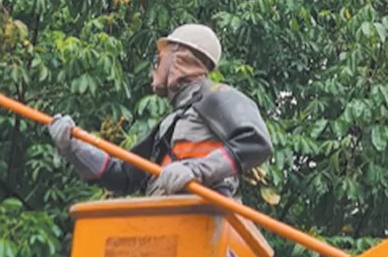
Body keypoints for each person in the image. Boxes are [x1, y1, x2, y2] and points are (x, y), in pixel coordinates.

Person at [47, 23, 271, 198]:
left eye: (159, 59)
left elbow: (256, 143)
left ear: (179, 58)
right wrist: (74, 147)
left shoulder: (216, 96)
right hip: (163, 218)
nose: (153, 68)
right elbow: (124, 176)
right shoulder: (171, 124)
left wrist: (197, 170)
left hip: (202, 215)